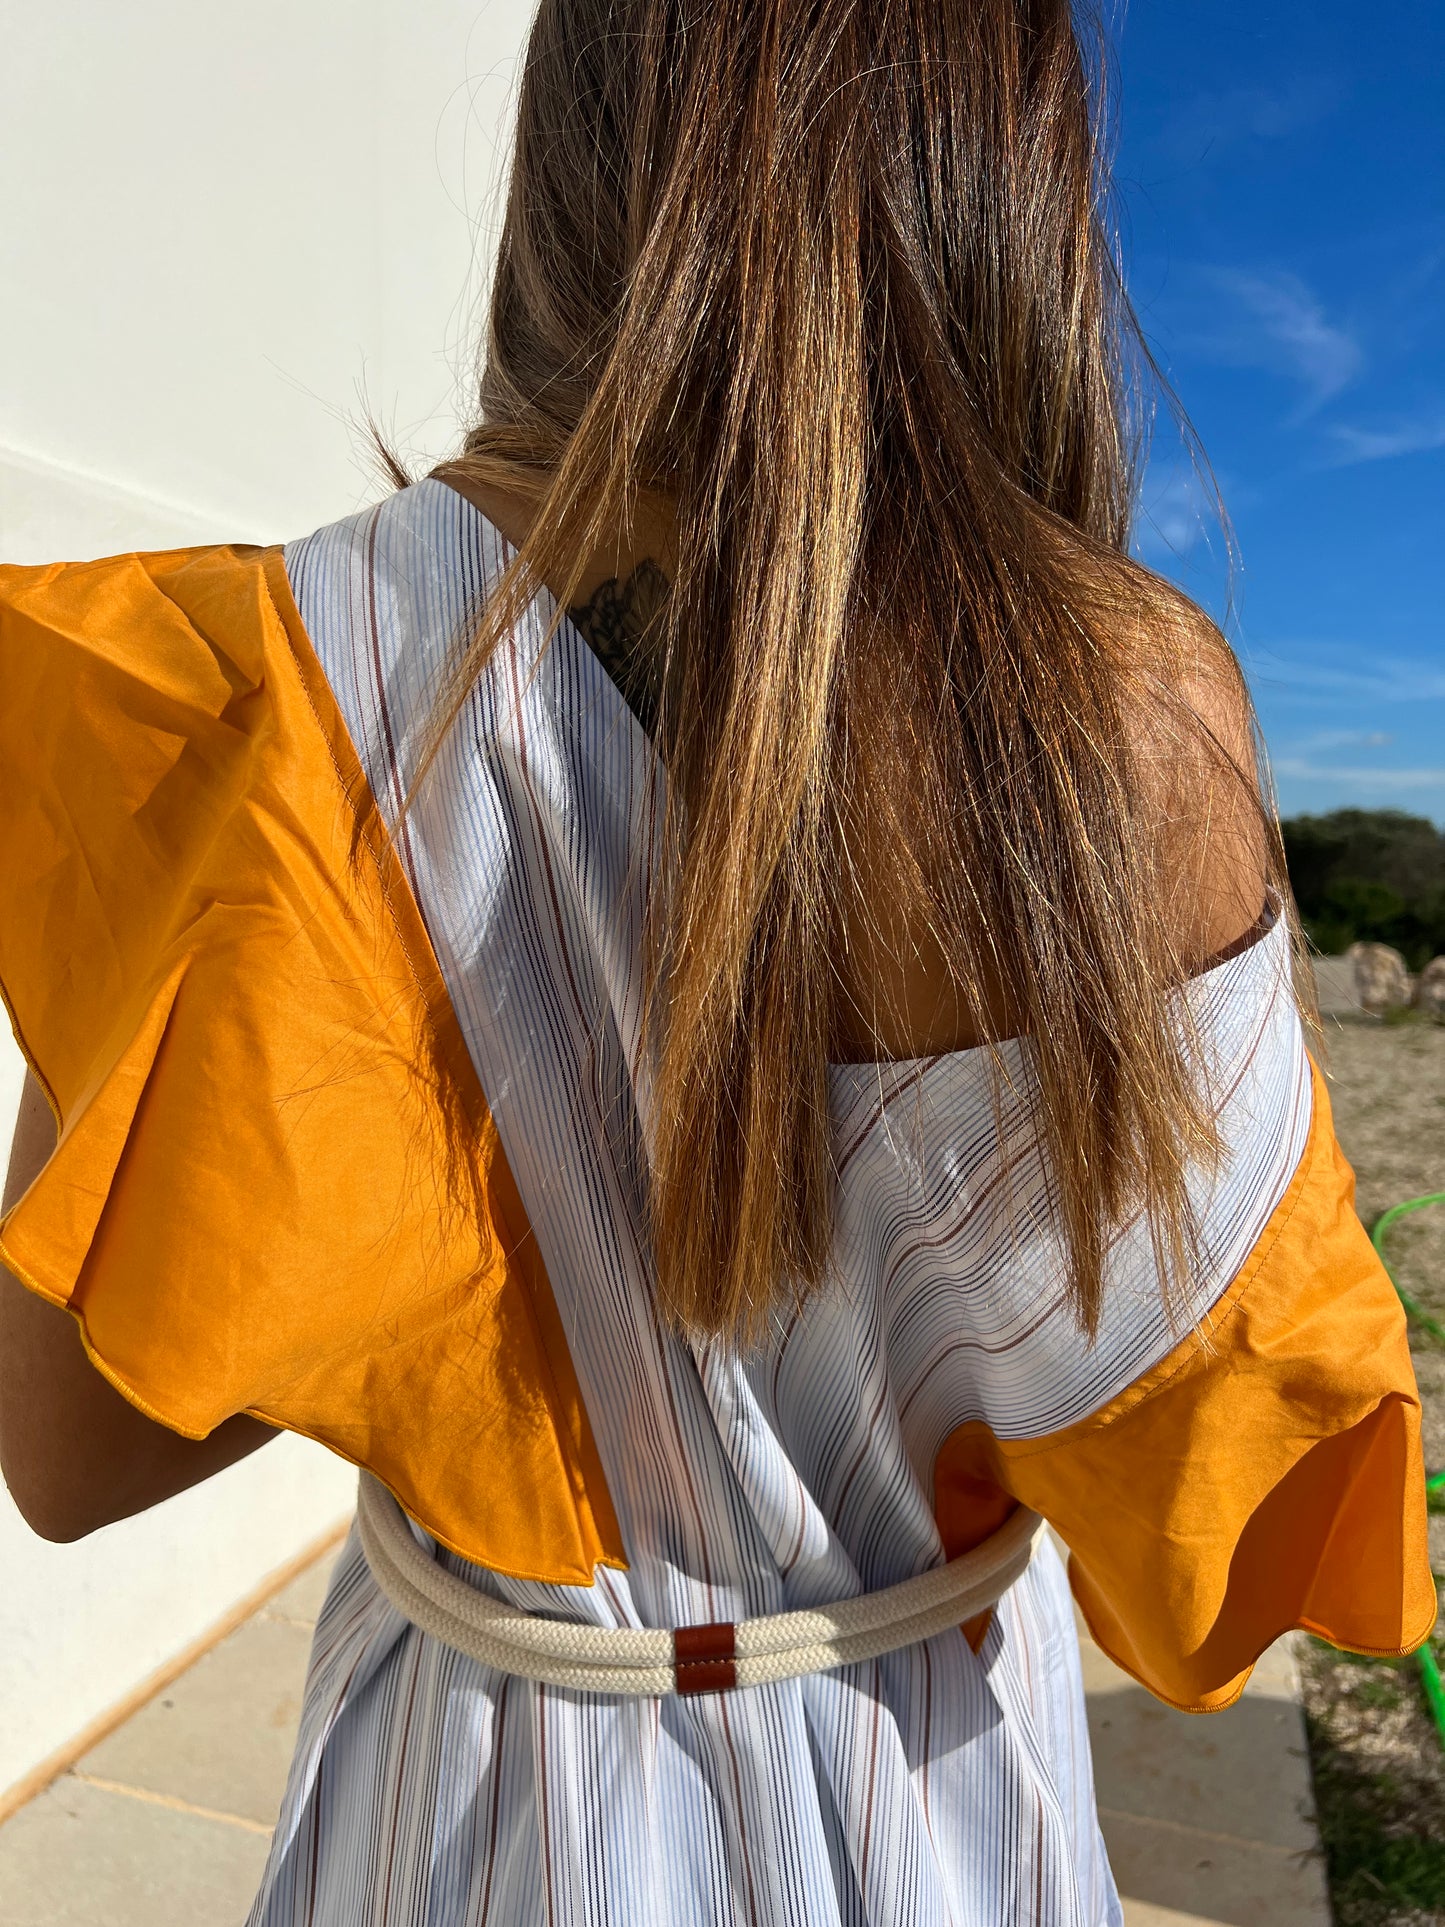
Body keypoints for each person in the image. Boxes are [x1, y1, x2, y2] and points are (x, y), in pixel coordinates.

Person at [0, 1, 1433, 1921]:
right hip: (922, 1800)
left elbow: (71, 1452)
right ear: (1009, 179)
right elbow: (1211, 1495)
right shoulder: (1124, 727)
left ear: (572, 163)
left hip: (458, 1797)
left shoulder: (273, 696)